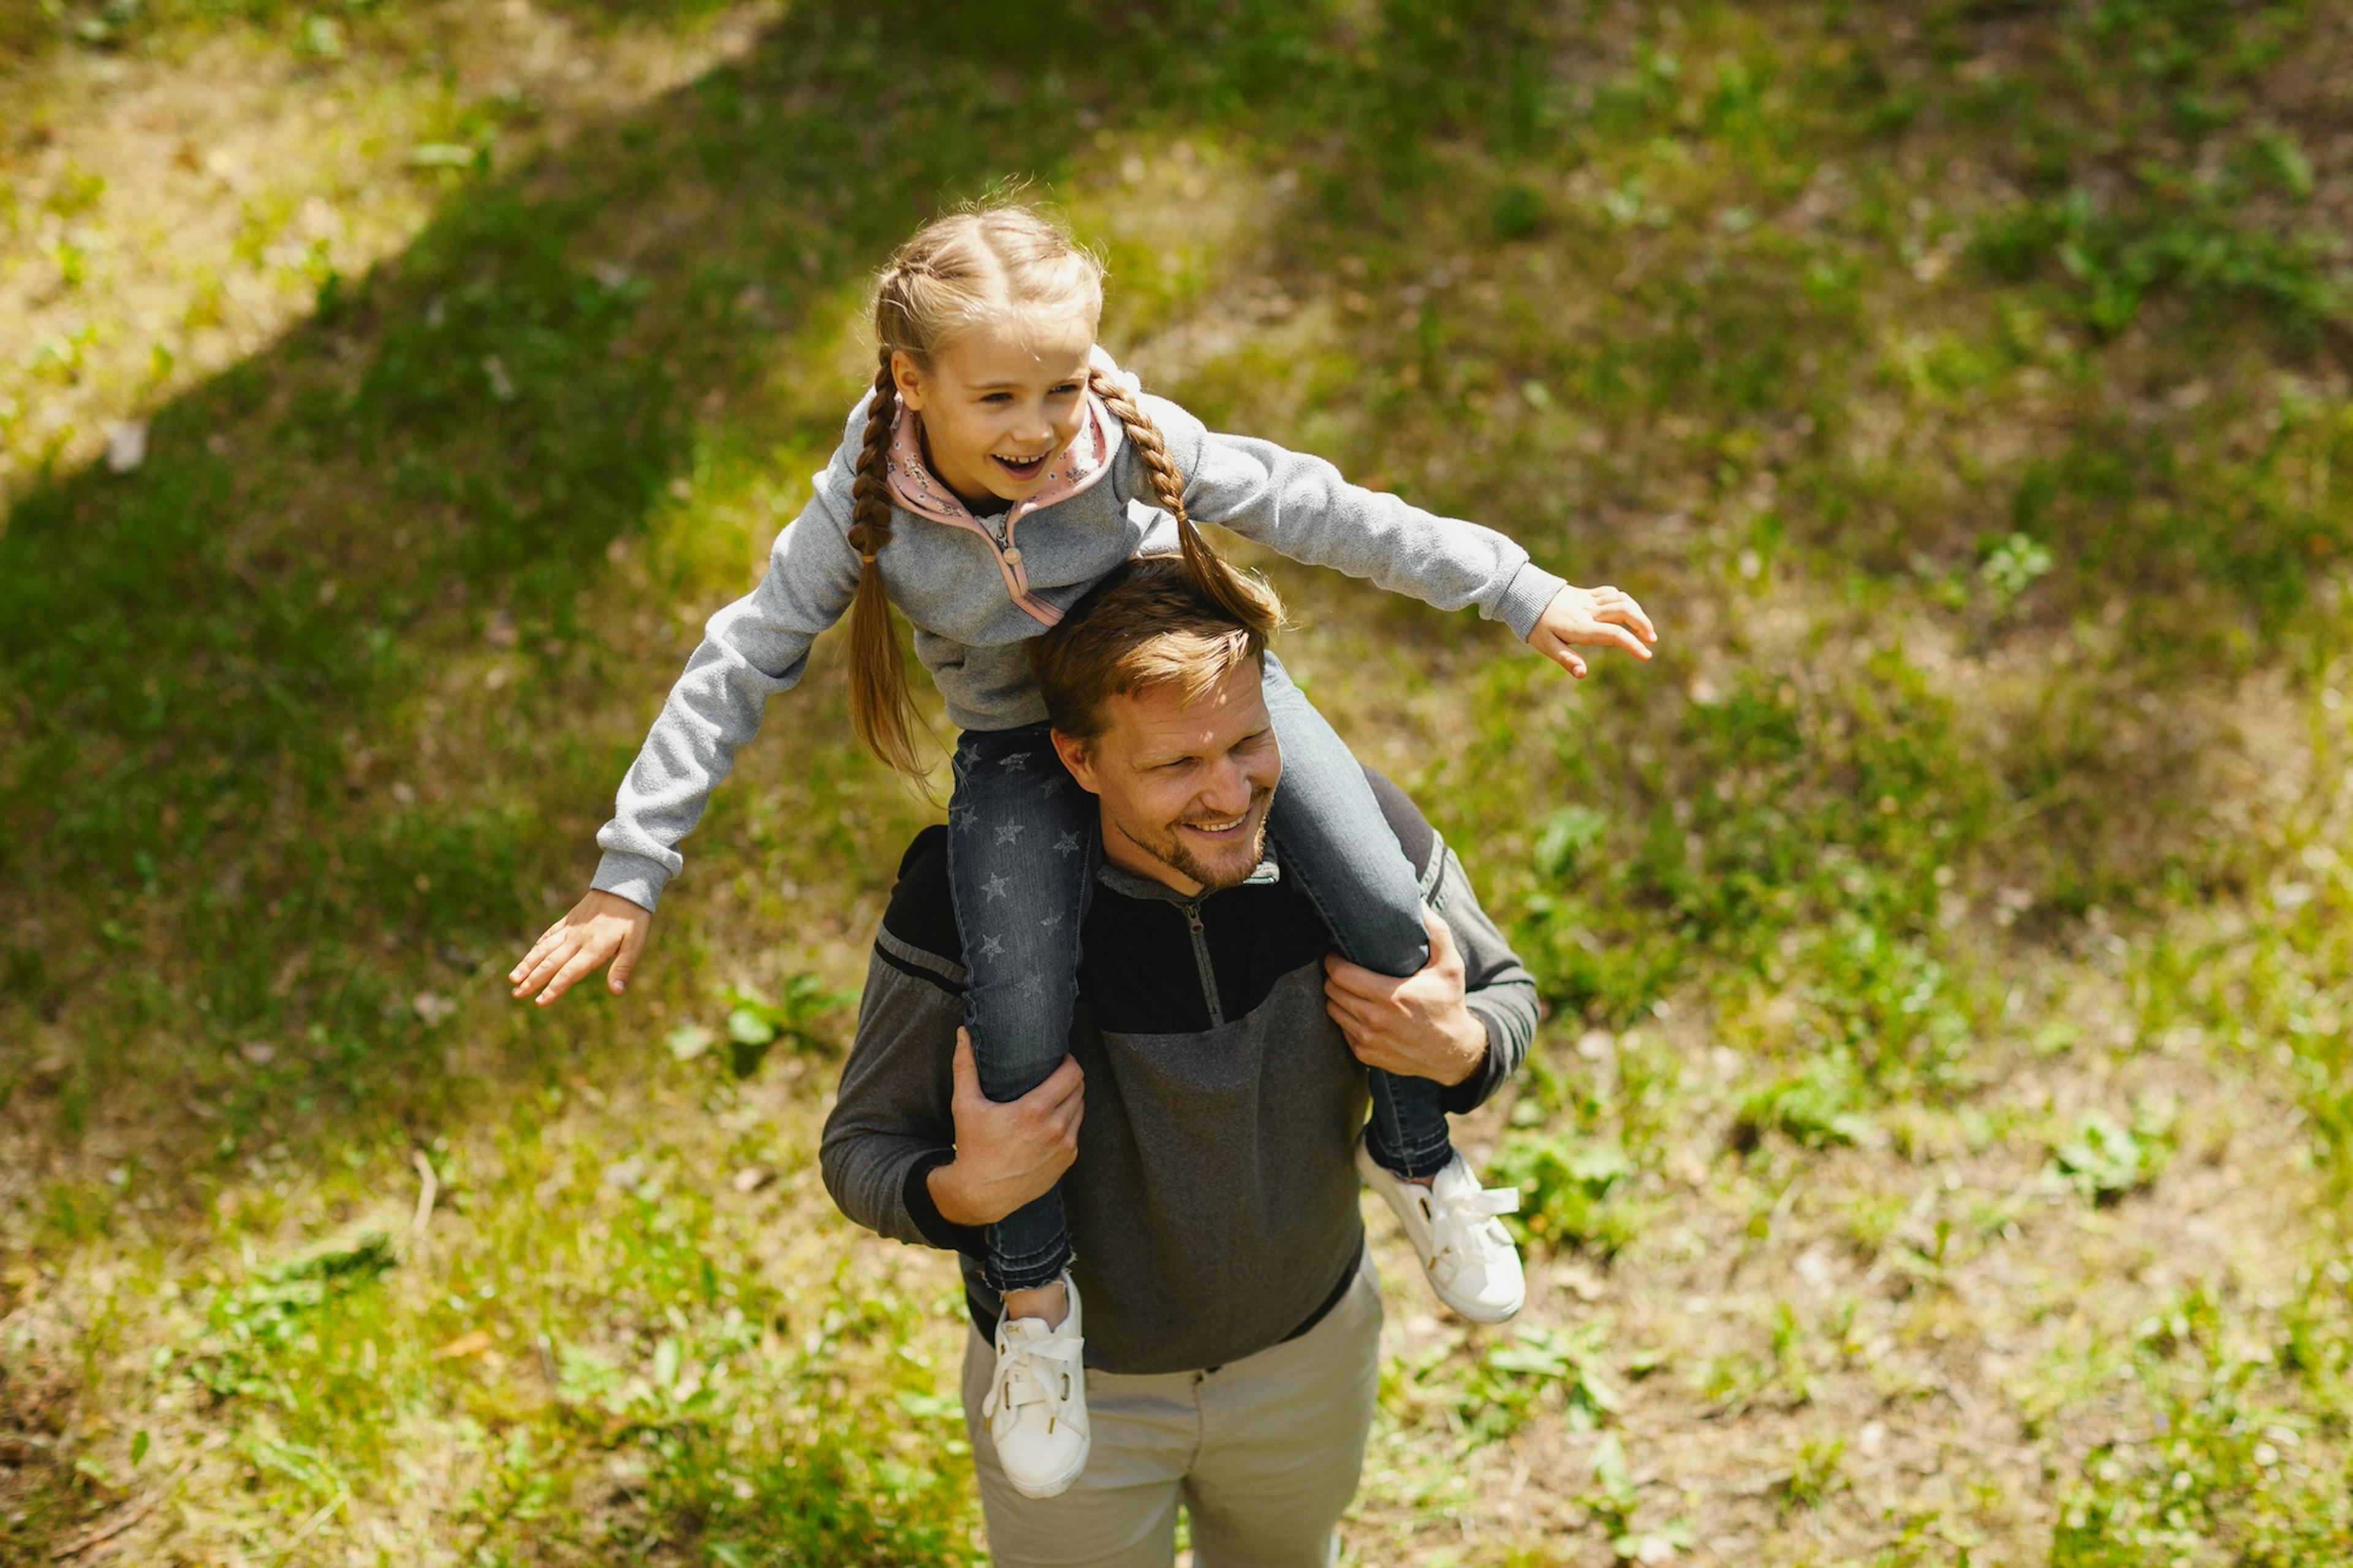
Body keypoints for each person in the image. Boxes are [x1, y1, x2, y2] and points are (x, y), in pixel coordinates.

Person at [506, 203, 1656, 1496]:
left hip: (1182, 705)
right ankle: (1037, 1308)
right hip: (1018, 744)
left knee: (1382, 897)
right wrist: (630, 866)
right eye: (997, 393)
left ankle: (1417, 1153)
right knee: (1012, 1027)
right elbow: (742, 659)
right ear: (910, 381)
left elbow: (1325, 508)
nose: (1039, 424)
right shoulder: (866, 502)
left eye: (1060, 383)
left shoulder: (1125, 441)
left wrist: (1520, 588)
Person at [822, 556, 1540, 1565]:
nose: (1228, 793)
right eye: (1175, 766)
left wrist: (1460, 1048)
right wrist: (962, 1191)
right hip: (1075, 1394)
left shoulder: (1355, 839)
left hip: (1311, 1357)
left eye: (1249, 741)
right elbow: (859, 1149)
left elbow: (1507, 992)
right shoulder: (970, 904)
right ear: (1077, 759)